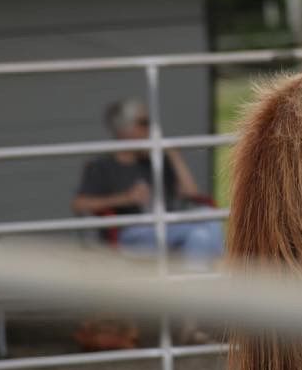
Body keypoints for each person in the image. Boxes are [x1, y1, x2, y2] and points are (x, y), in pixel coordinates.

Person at [73, 98, 224, 270]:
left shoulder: (156, 160)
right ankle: (206, 285)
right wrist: (125, 199)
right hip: (132, 232)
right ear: (123, 129)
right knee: (199, 235)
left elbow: (192, 194)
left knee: (208, 215)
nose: (152, 129)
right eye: (144, 123)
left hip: (169, 224)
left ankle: (198, 285)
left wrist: (173, 154)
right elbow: (80, 204)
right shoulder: (101, 166)